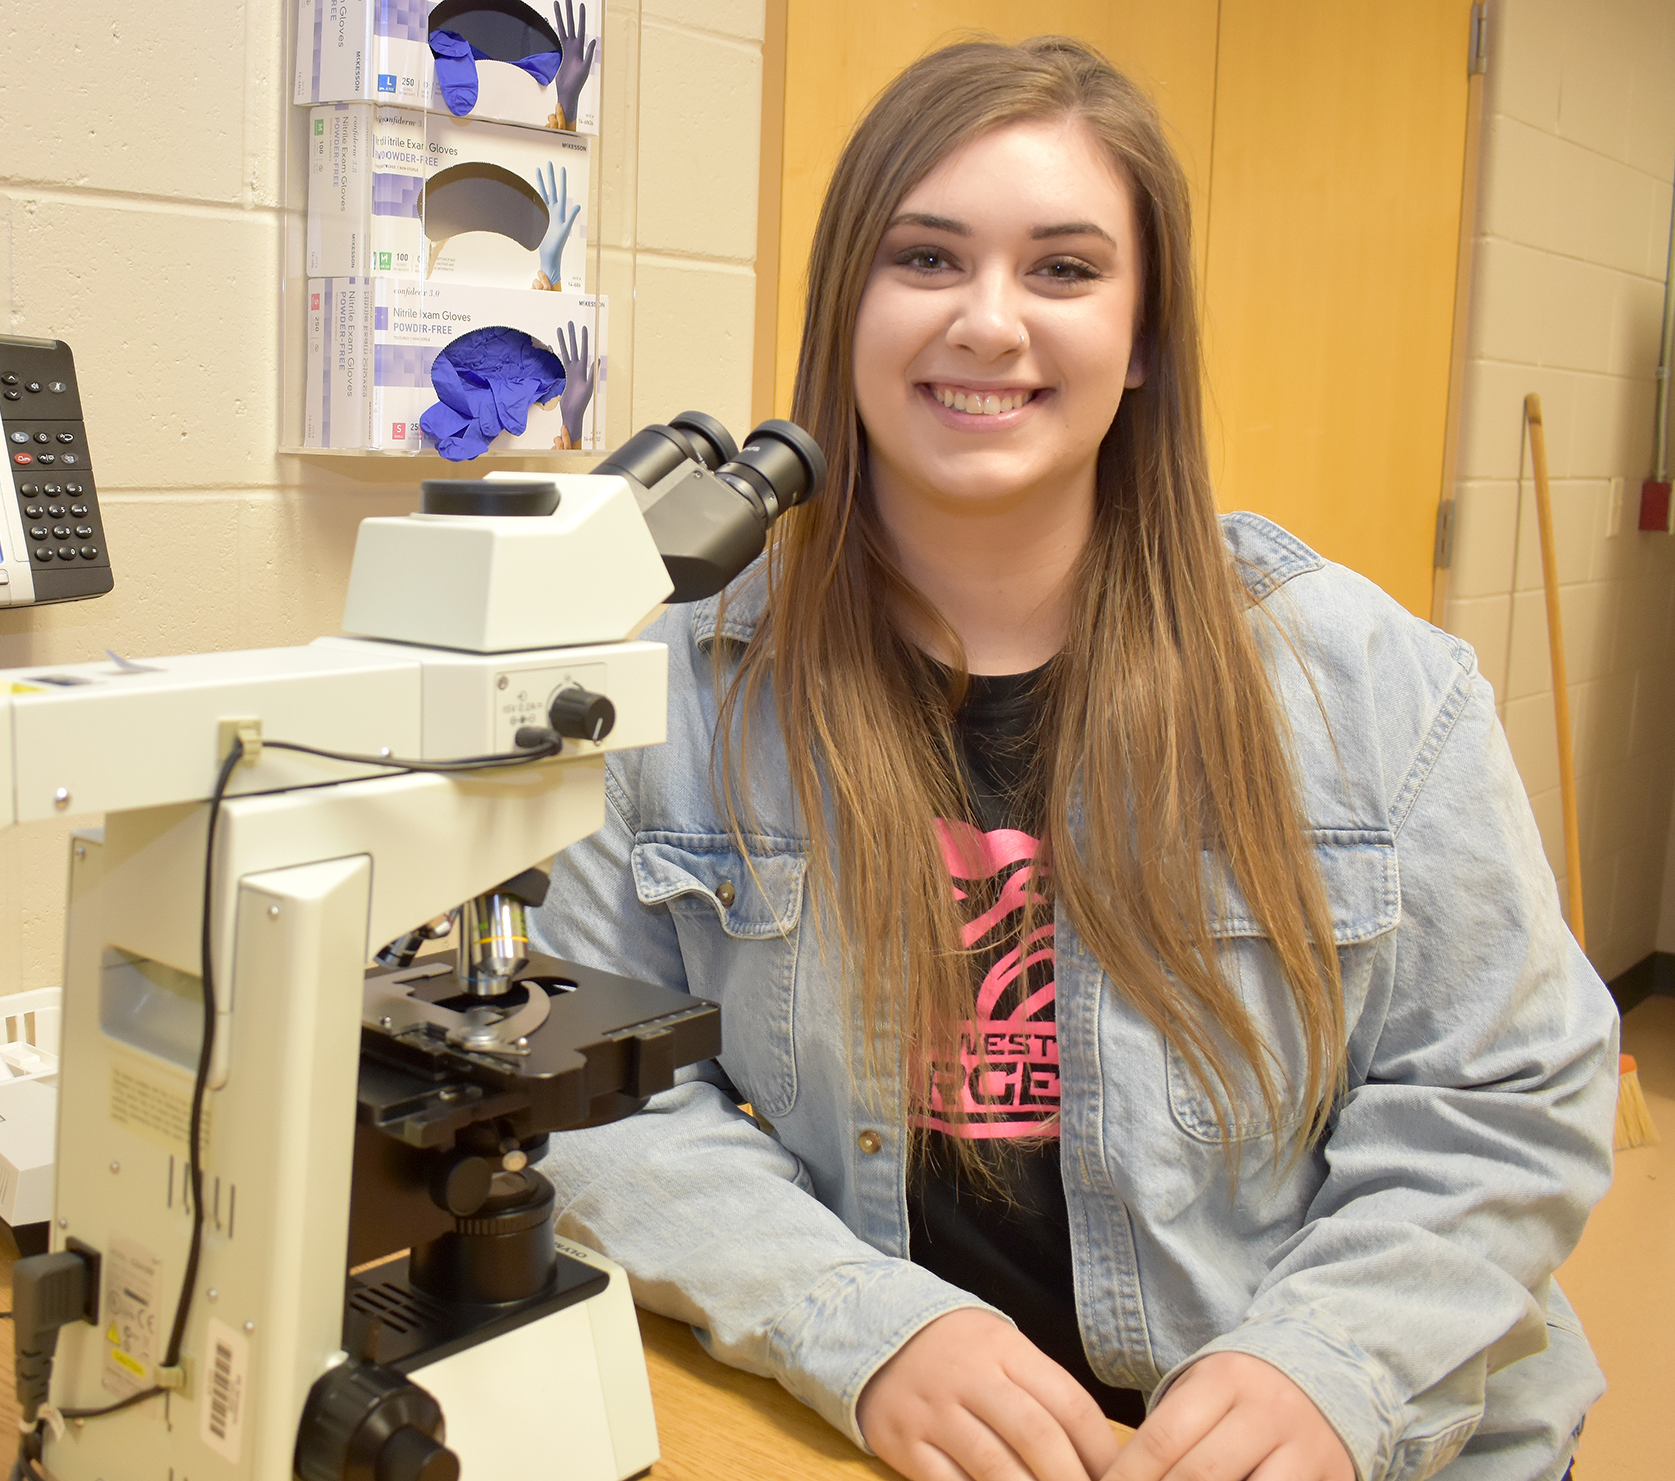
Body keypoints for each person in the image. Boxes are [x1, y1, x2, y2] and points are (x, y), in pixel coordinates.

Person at [528, 35, 1617, 1481]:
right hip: (905, 1432)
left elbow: (1505, 1091)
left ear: (1145, 332)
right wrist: (860, 1323)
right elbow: (583, 1089)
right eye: (926, 259)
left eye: (1062, 269)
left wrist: (1322, 1362)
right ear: (844, 306)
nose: (990, 322)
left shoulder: (1376, 689)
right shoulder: (669, 683)